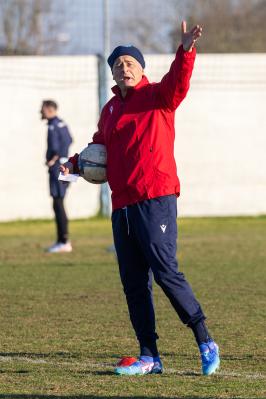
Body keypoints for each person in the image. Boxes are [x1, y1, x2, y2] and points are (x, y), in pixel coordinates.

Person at [61, 21, 220, 375]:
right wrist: (73, 164)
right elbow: (98, 147)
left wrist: (186, 50)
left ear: (142, 69)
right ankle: (150, 356)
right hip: (123, 206)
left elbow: (179, 81)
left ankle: (205, 339)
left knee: (165, 272)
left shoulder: (158, 97)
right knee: (134, 283)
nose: (124, 67)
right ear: (113, 75)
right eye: (118, 65)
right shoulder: (111, 110)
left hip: (156, 197)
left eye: (130, 63)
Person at [40, 100, 73, 253]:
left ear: (49, 109)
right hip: (65, 167)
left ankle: (64, 241)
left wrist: (53, 159)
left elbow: (56, 146)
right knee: (58, 203)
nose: (41, 112)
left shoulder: (53, 125)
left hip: (58, 169)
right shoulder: (61, 123)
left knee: (58, 203)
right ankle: (62, 240)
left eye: (42, 109)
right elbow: (69, 139)